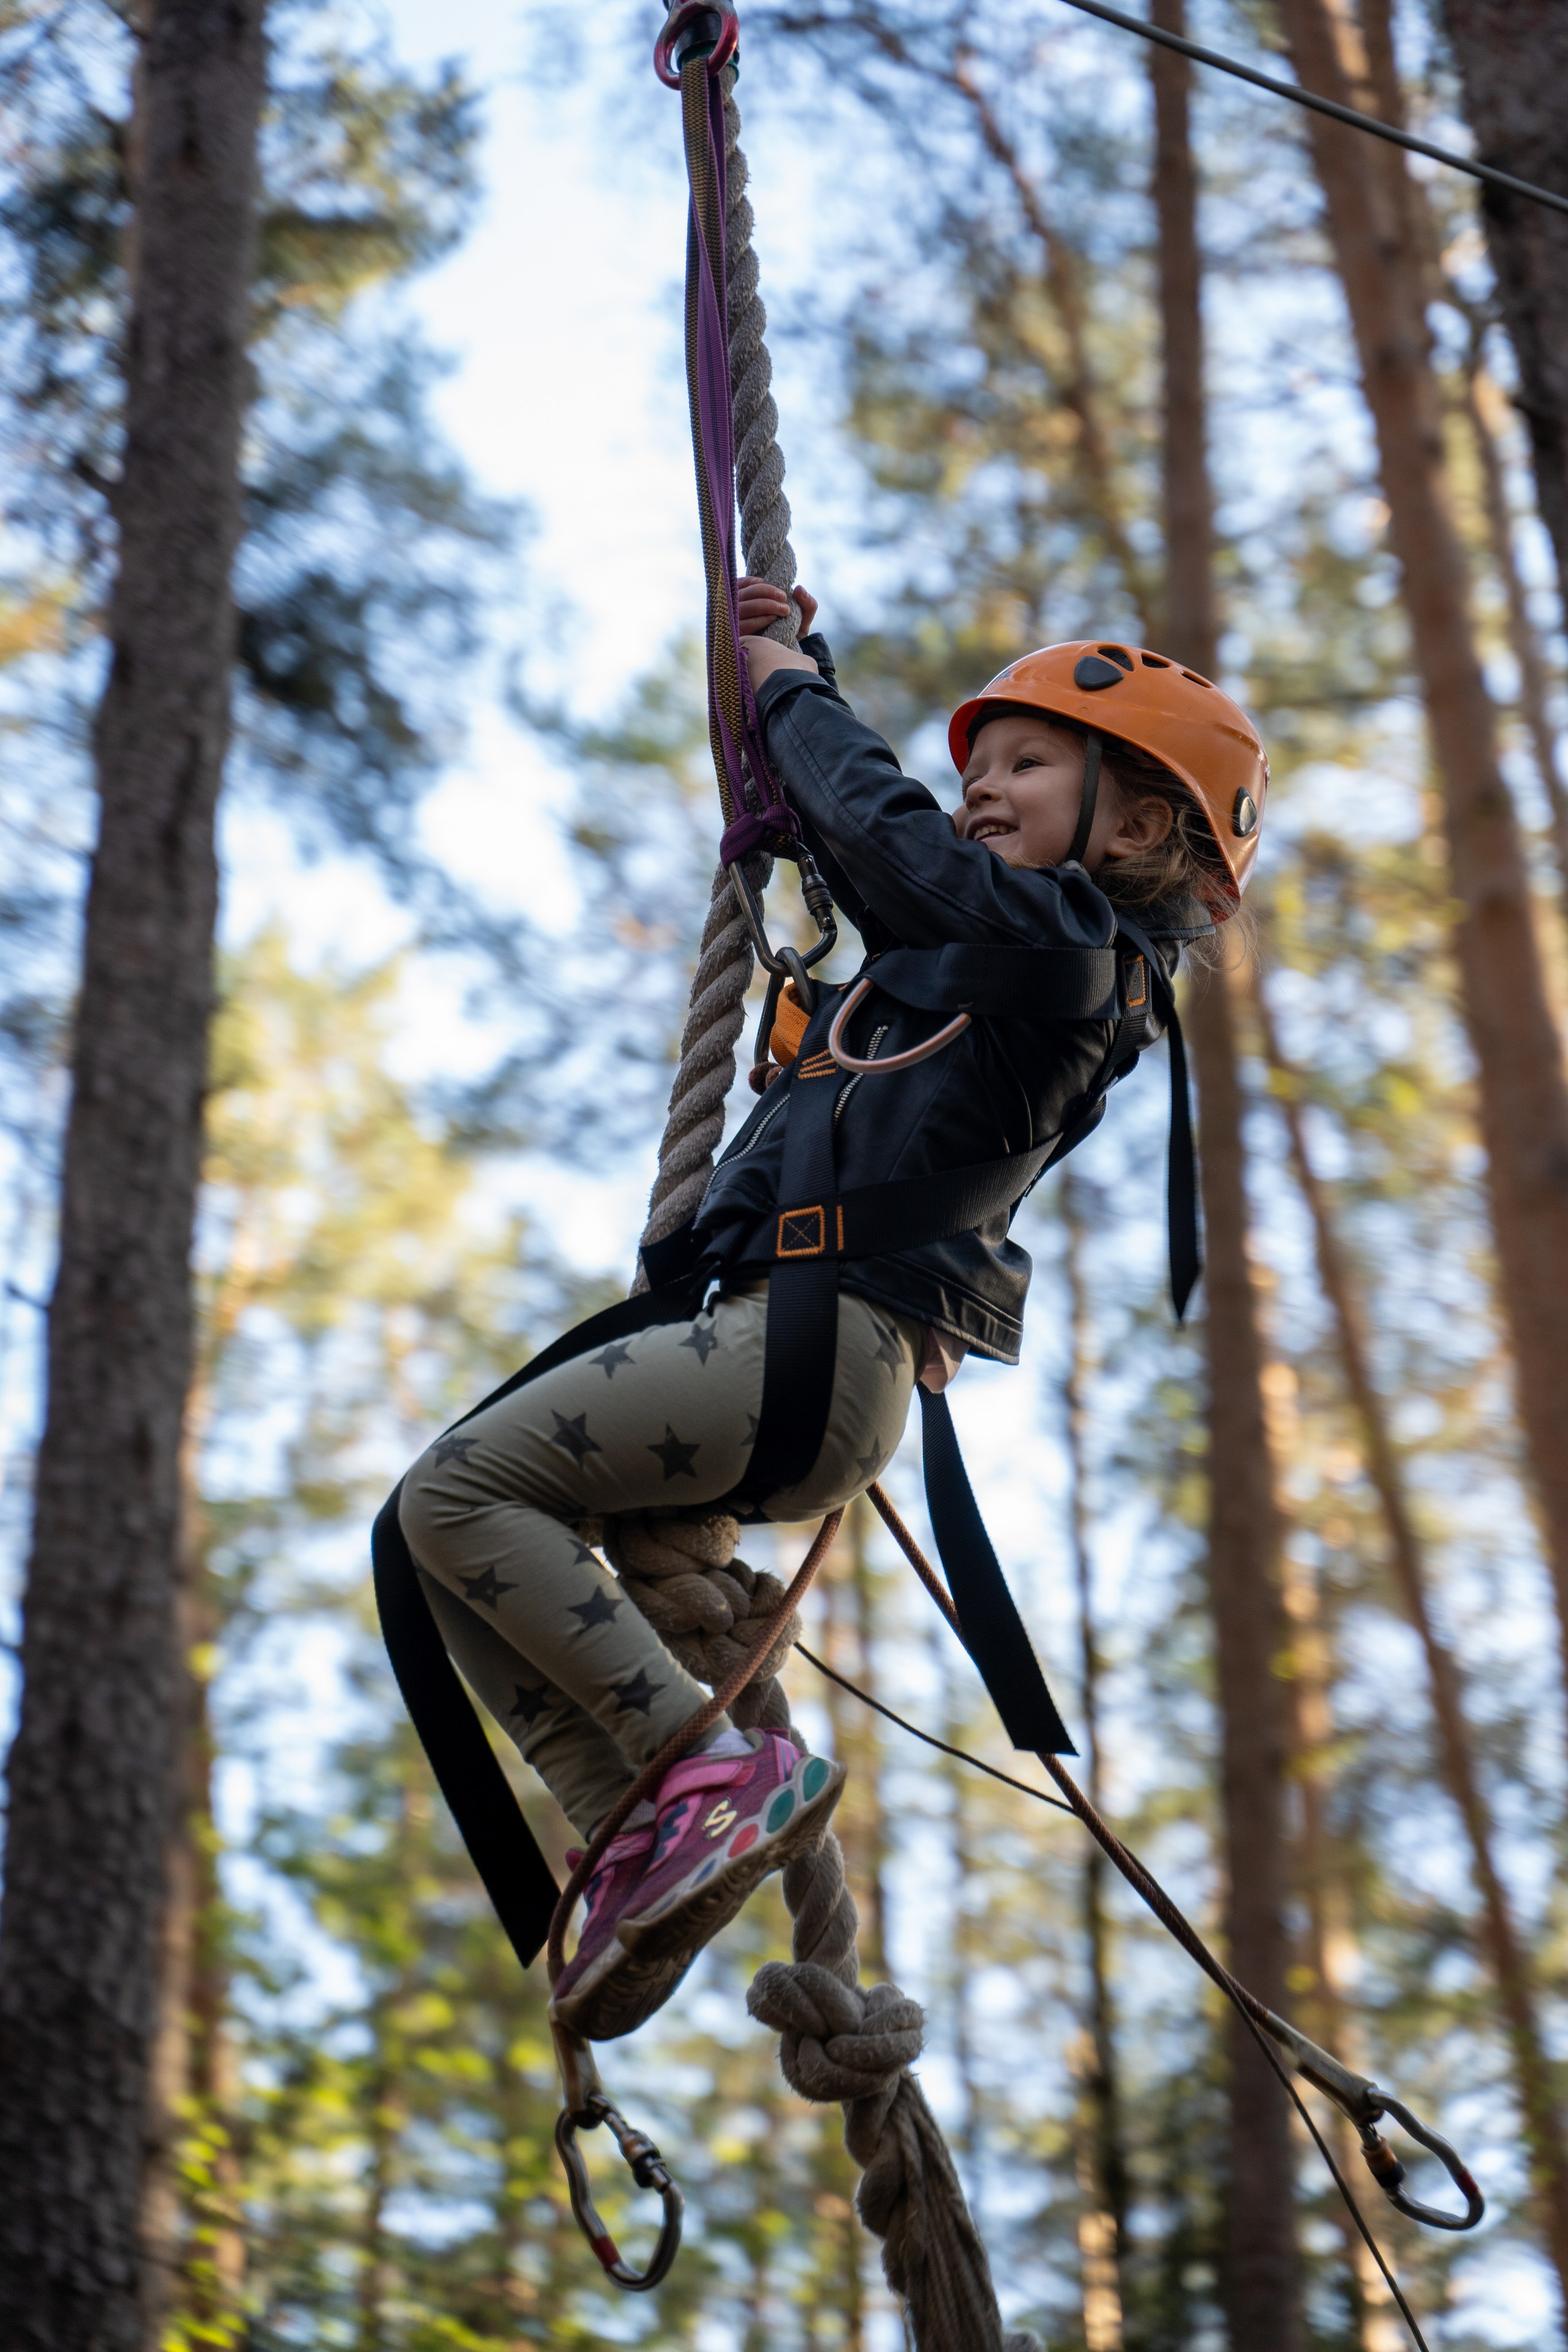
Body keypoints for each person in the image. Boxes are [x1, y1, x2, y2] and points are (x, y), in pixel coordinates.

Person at [396, 581, 1267, 2041]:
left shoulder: (1068, 951)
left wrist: (788, 687)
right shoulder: (968, 970)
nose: (980, 785)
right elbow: (877, 855)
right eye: (977, 767)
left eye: (1026, 764)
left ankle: (692, 1768)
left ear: (1130, 830)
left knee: (459, 1492)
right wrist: (799, 678)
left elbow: (886, 840)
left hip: (812, 1355)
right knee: (432, 1536)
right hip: (792, 1356)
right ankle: (637, 1819)